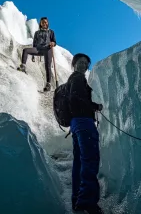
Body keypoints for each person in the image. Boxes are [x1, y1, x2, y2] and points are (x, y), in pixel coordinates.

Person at [67, 53, 104, 214]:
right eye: (81, 62)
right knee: (90, 160)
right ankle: (87, 202)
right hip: (83, 122)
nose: (83, 65)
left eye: (86, 64)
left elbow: (75, 99)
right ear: (74, 64)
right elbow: (76, 99)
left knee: (80, 163)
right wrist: (93, 107)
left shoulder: (72, 79)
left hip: (76, 124)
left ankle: (77, 199)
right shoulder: (77, 79)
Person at [17, 17, 56, 92]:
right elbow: (34, 44)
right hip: (38, 49)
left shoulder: (51, 32)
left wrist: (53, 43)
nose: (44, 23)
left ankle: (48, 84)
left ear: (47, 23)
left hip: (48, 49)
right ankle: (23, 66)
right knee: (25, 50)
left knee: (47, 66)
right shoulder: (37, 33)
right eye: (43, 22)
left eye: (45, 22)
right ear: (40, 24)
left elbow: (54, 41)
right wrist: (33, 55)